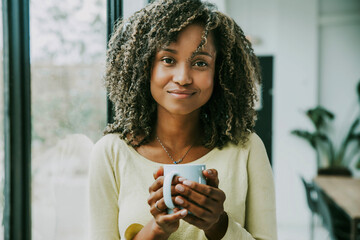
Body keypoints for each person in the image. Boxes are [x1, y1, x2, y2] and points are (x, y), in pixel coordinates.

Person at [89, 0, 277, 239]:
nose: (183, 77)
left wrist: (218, 224)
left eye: (200, 63)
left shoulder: (247, 148)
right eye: (168, 59)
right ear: (145, 66)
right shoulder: (110, 153)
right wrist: (157, 228)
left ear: (218, 73)